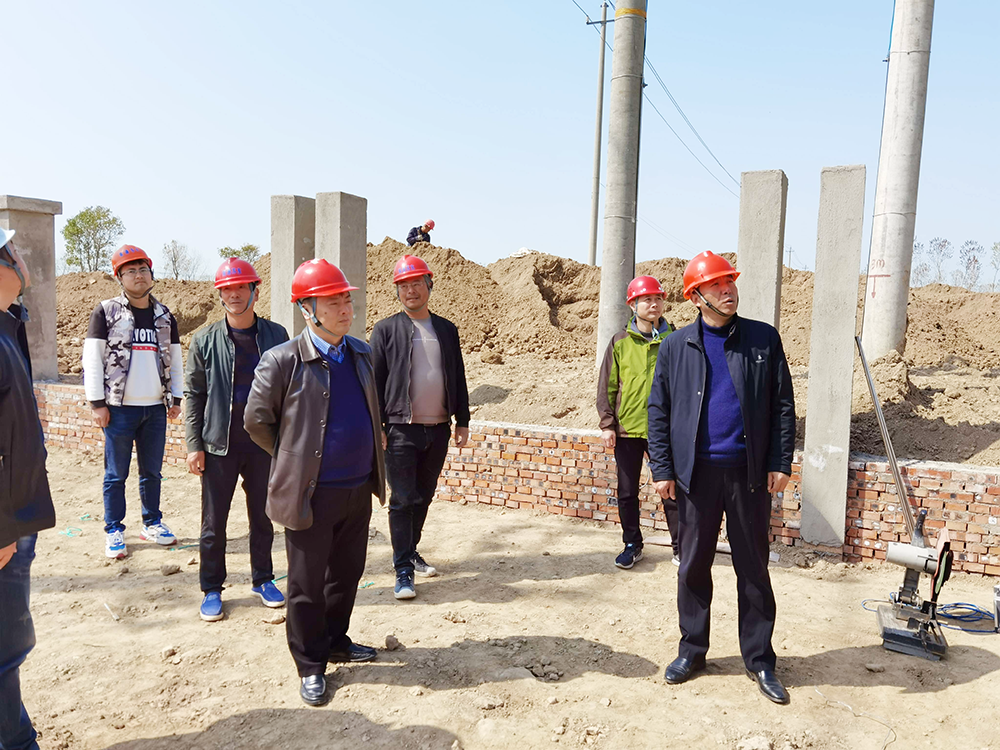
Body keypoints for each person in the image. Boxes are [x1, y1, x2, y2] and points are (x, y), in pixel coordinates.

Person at [647, 251, 795, 705]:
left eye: (729, 281)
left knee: (753, 567)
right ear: (696, 297)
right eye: (716, 285)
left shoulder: (763, 339)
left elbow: (782, 405)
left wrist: (780, 461)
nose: (727, 289)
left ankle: (760, 660)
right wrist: (662, 468)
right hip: (696, 476)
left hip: (748, 475)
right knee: (693, 565)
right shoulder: (676, 346)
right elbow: (659, 410)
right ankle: (692, 651)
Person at [245, 259, 385, 708]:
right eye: (333, 302)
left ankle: (336, 641)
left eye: (347, 300)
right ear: (308, 309)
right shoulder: (282, 360)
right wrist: (295, 459)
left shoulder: (361, 353)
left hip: (357, 488)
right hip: (311, 493)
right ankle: (309, 664)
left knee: (346, 574)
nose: (345, 309)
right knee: (306, 583)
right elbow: (256, 421)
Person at [185, 258, 289, 622]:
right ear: (220, 294)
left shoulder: (276, 336)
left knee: (263, 517)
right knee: (214, 523)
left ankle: (263, 579)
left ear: (255, 291)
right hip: (219, 445)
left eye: (240, 287)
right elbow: (194, 394)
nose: (233, 294)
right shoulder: (205, 339)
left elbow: (290, 389)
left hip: (262, 444)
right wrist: (194, 445)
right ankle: (212, 588)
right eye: (227, 289)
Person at [370, 254, 469, 600]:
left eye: (416, 283)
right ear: (397, 291)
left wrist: (462, 420)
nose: (410, 290)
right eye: (403, 285)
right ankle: (403, 570)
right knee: (401, 500)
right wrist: (378, 426)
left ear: (429, 285)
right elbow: (374, 382)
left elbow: (457, 375)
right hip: (400, 429)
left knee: (424, 496)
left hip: (438, 429)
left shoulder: (446, 329)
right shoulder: (385, 330)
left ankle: (410, 550)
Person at [83, 245, 183, 559]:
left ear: (151, 274)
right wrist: (97, 403)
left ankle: (152, 523)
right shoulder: (106, 311)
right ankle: (114, 529)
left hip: (155, 408)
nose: (138, 276)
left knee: (152, 472)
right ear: (119, 277)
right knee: (116, 474)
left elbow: (176, 360)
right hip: (118, 409)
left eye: (143, 270)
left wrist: (176, 397)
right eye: (130, 271)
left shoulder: (164, 315)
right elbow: (93, 359)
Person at [0, 228, 55, 750]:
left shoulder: (7, 327)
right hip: (4, 528)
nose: (22, 258)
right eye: (12, 250)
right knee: (4, 648)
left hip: (15, 519)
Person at [597, 275, 679, 570]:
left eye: (658, 298)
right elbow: (607, 385)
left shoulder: (675, 340)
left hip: (664, 430)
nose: (654, 304)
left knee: (671, 489)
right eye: (647, 299)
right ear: (633, 305)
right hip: (627, 429)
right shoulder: (620, 342)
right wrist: (607, 424)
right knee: (627, 491)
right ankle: (632, 544)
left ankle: (681, 546)